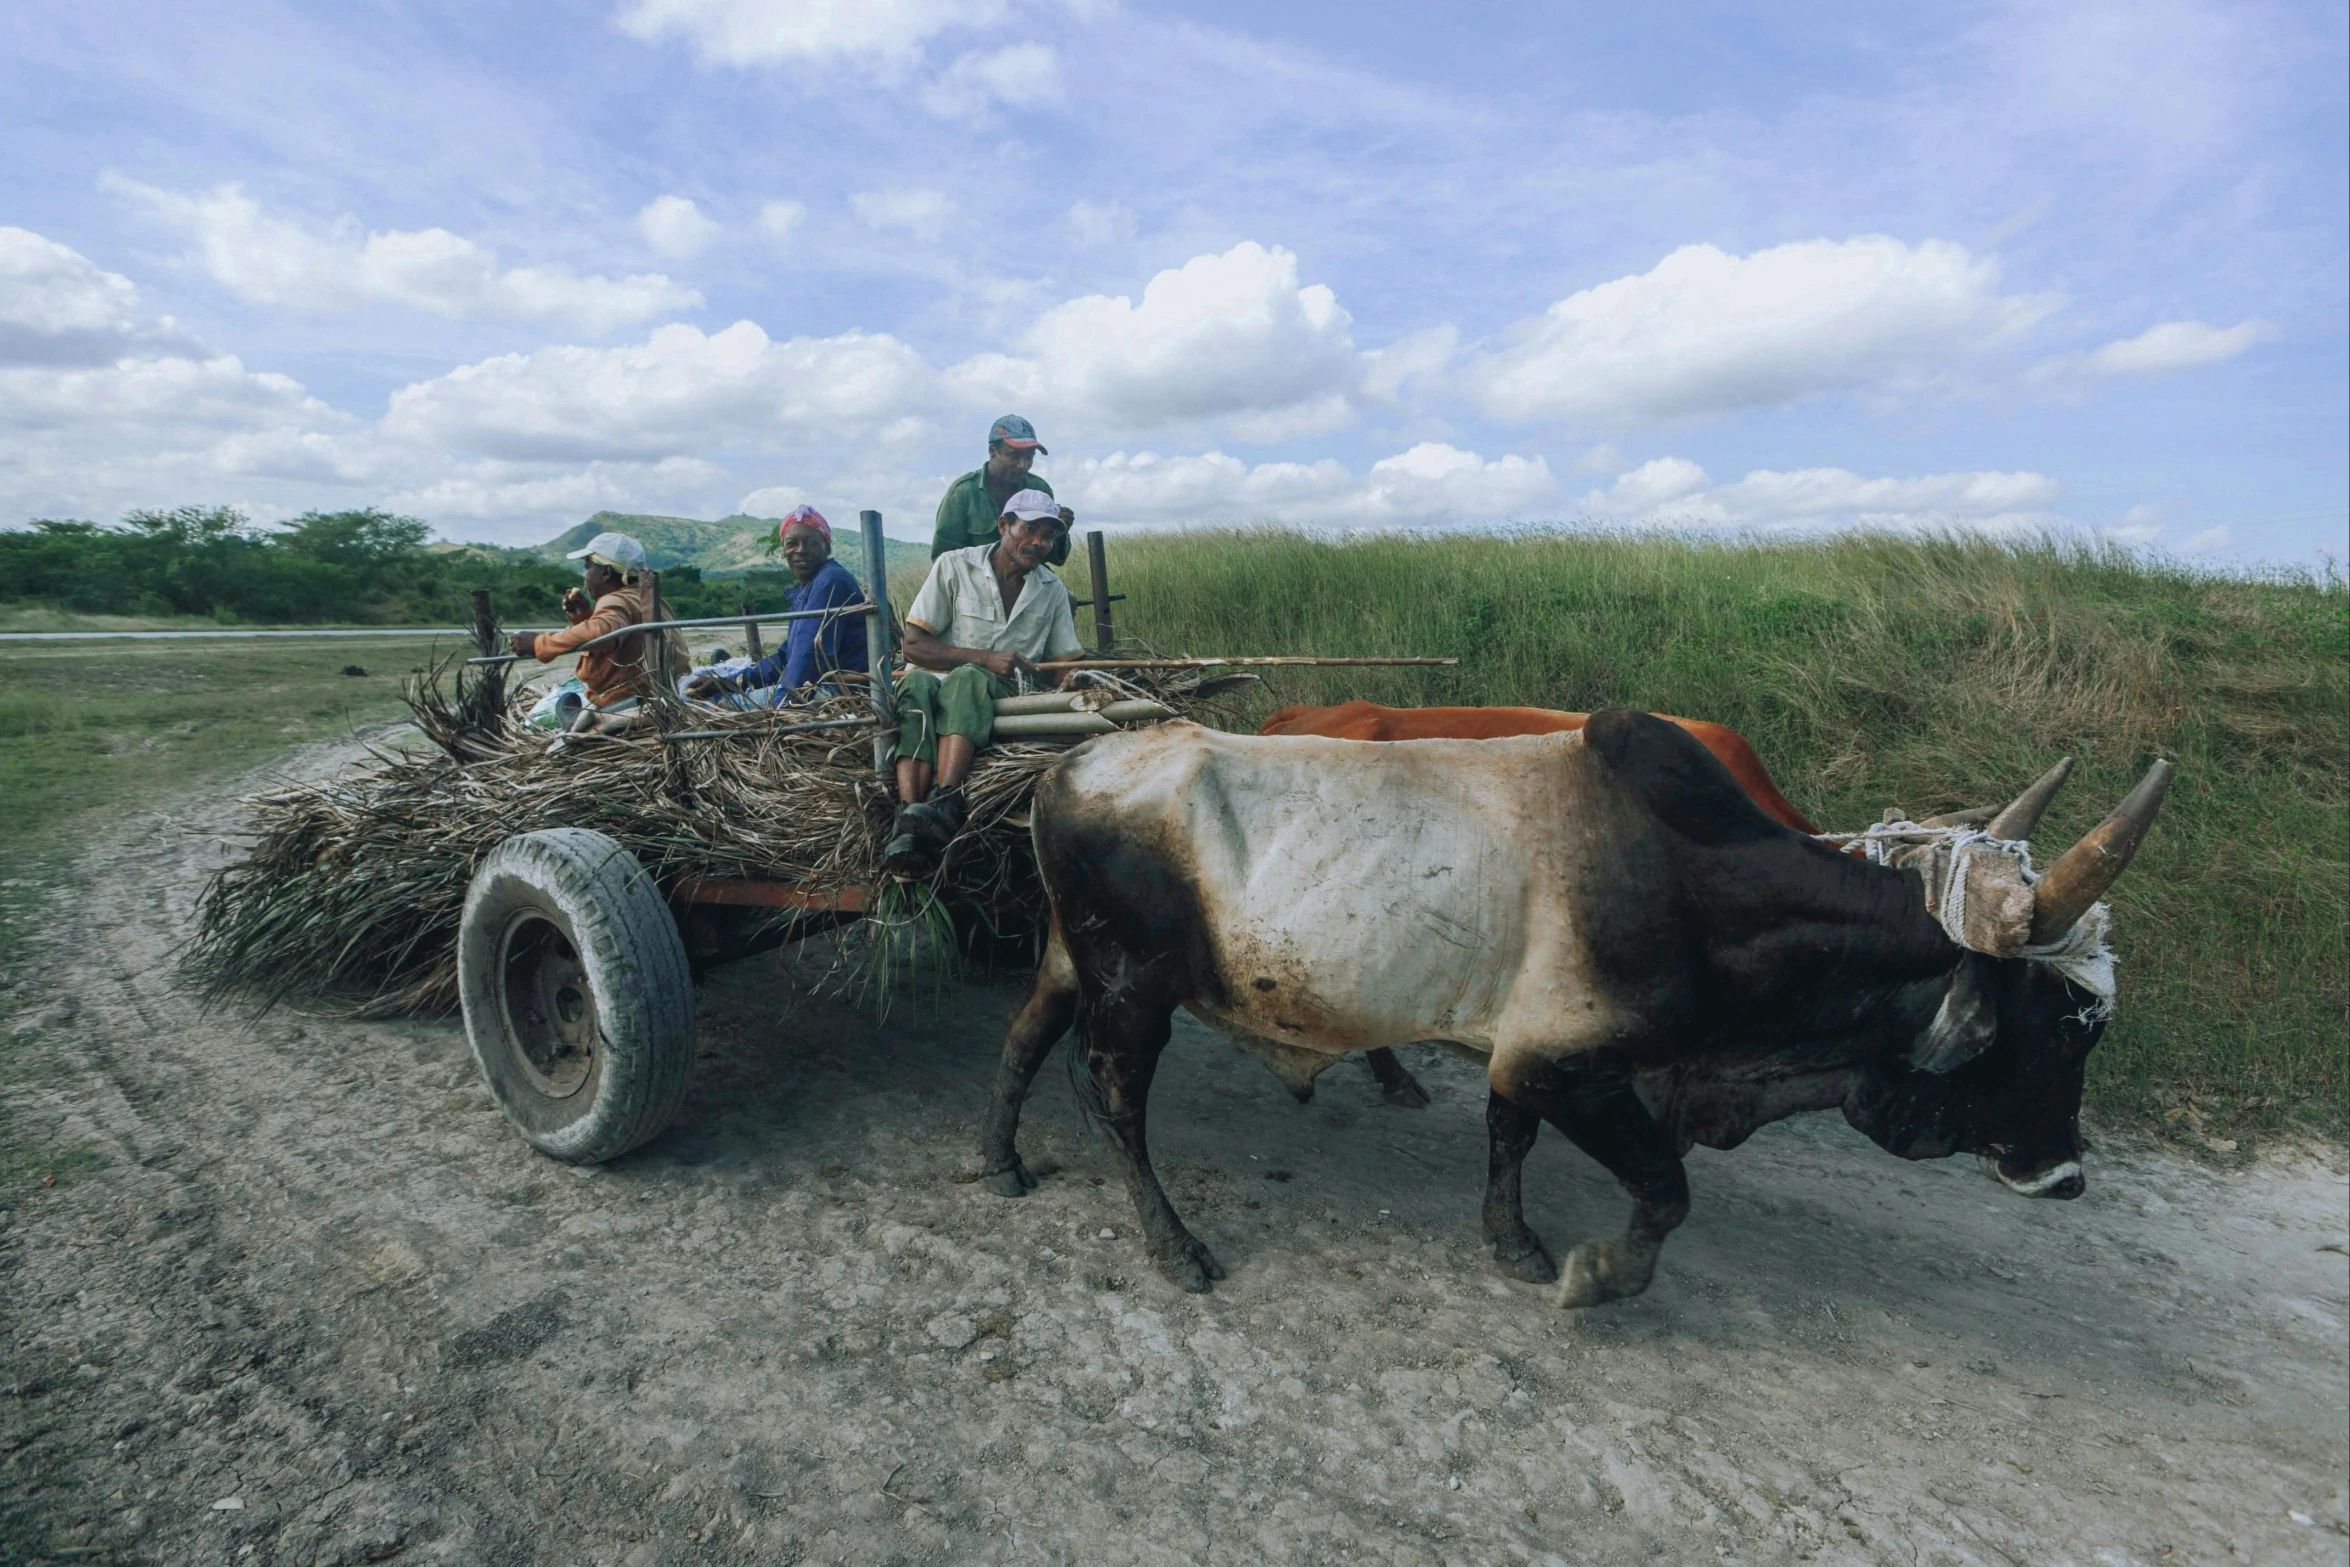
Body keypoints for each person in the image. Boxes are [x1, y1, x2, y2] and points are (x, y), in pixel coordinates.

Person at [883, 489, 1083, 876]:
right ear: (1004, 526)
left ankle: (947, 798)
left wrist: (1076, 680)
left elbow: (1063, 663)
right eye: (1029, 530)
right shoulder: (954, 566)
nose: (1039, 543)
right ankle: (908, 815)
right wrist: (984, 657)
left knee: (969, 679)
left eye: (1049, 536)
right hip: (937, 681)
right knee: (916, 686)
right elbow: (913, 646)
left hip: (997, 692)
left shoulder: (1051, 590)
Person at [683, 505, 868, 707]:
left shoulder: (830, 581)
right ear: (784, 549)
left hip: (833, 692)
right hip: (813, 688)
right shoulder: (808, 588)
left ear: (827, 546)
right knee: (699, 693)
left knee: (699, 704)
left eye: (811, 543)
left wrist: (784, 704)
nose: (801, 550)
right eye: (792, 543)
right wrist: (734, 682)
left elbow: (810, 655)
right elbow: (786, 656)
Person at [509, 531, 687, 726]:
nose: (585, 578)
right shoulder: (651, 601)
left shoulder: (615, 600)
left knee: (560, 707)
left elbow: (603, 631)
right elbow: (619, 640)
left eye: (588, 568)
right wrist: (585, 618)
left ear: (606, 572)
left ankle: (585, 723)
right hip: (666, 694)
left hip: (630, 702)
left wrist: (538, 643)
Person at [931, 414, 1076, 566]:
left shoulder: (1039, 489)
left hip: (1029, 583)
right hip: (976, 585)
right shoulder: (963, 493)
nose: (1023, 464)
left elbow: (1054, 559)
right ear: (992, 451)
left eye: (1029, 457)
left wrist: (1059, 533)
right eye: (1014, 456)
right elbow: (944, 560)